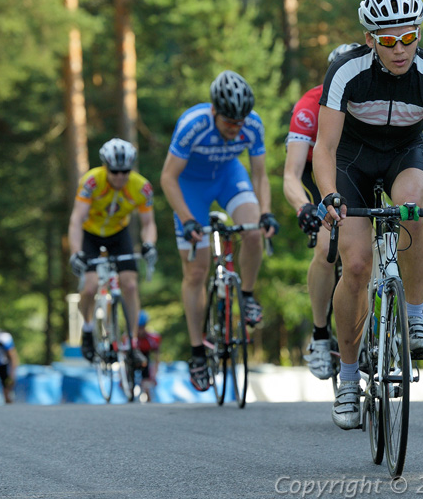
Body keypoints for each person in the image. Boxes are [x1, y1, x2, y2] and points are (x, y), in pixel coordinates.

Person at [313, 0, 423, 430]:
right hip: (352, 159)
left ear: (420, 34)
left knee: (411, 207)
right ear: (371, 40)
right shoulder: (346, 72)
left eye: (409, 37)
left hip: (406, 151)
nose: (400, 49)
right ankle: (348, 380)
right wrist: (329, 196)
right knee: (358, 265)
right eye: (388, 40)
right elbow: (323, 149)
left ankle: (415, 316)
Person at [160, 70, 279, 392]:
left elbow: (260, 176)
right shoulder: (193, 125)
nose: (235, 127)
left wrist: (266, 212)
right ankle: (197, 350)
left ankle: (249, 295)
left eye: (239, 121)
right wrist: (186, 219)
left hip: (228, 176)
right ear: (214, 111)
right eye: (229, 121)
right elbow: (168, 178)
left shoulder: (252, 124)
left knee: (253, 231)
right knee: (196, 272)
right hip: (190, 186)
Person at [283, 42, 361, 380]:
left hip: (357, 172)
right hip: (319, 176)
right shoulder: (309, 105)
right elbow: (291, 172)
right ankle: (318, 334)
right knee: (326, 249)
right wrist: (303, 206)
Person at [68, 138, 158, 365]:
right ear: (106, 167)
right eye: (115, 172)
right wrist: (76, 251)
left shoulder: (141, 187)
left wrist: (148, 244)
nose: (120, 177)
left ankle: (133, 344)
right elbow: (77, 219)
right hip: (90, 234)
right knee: (89, 288)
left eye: (125, 172)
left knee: (130, 284)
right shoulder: (91, 181)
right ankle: (88, 329)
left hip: (119, 234)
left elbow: (148, 223)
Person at [133, 310, 162, 401]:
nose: (139, 331)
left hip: (145, 359)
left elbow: (157, 357)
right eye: (138, 328)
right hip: (132, 360)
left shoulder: (152, 338)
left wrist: (154, 373)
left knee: (147, 383)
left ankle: (148, 399)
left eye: (141, 327)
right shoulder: (128, 339)